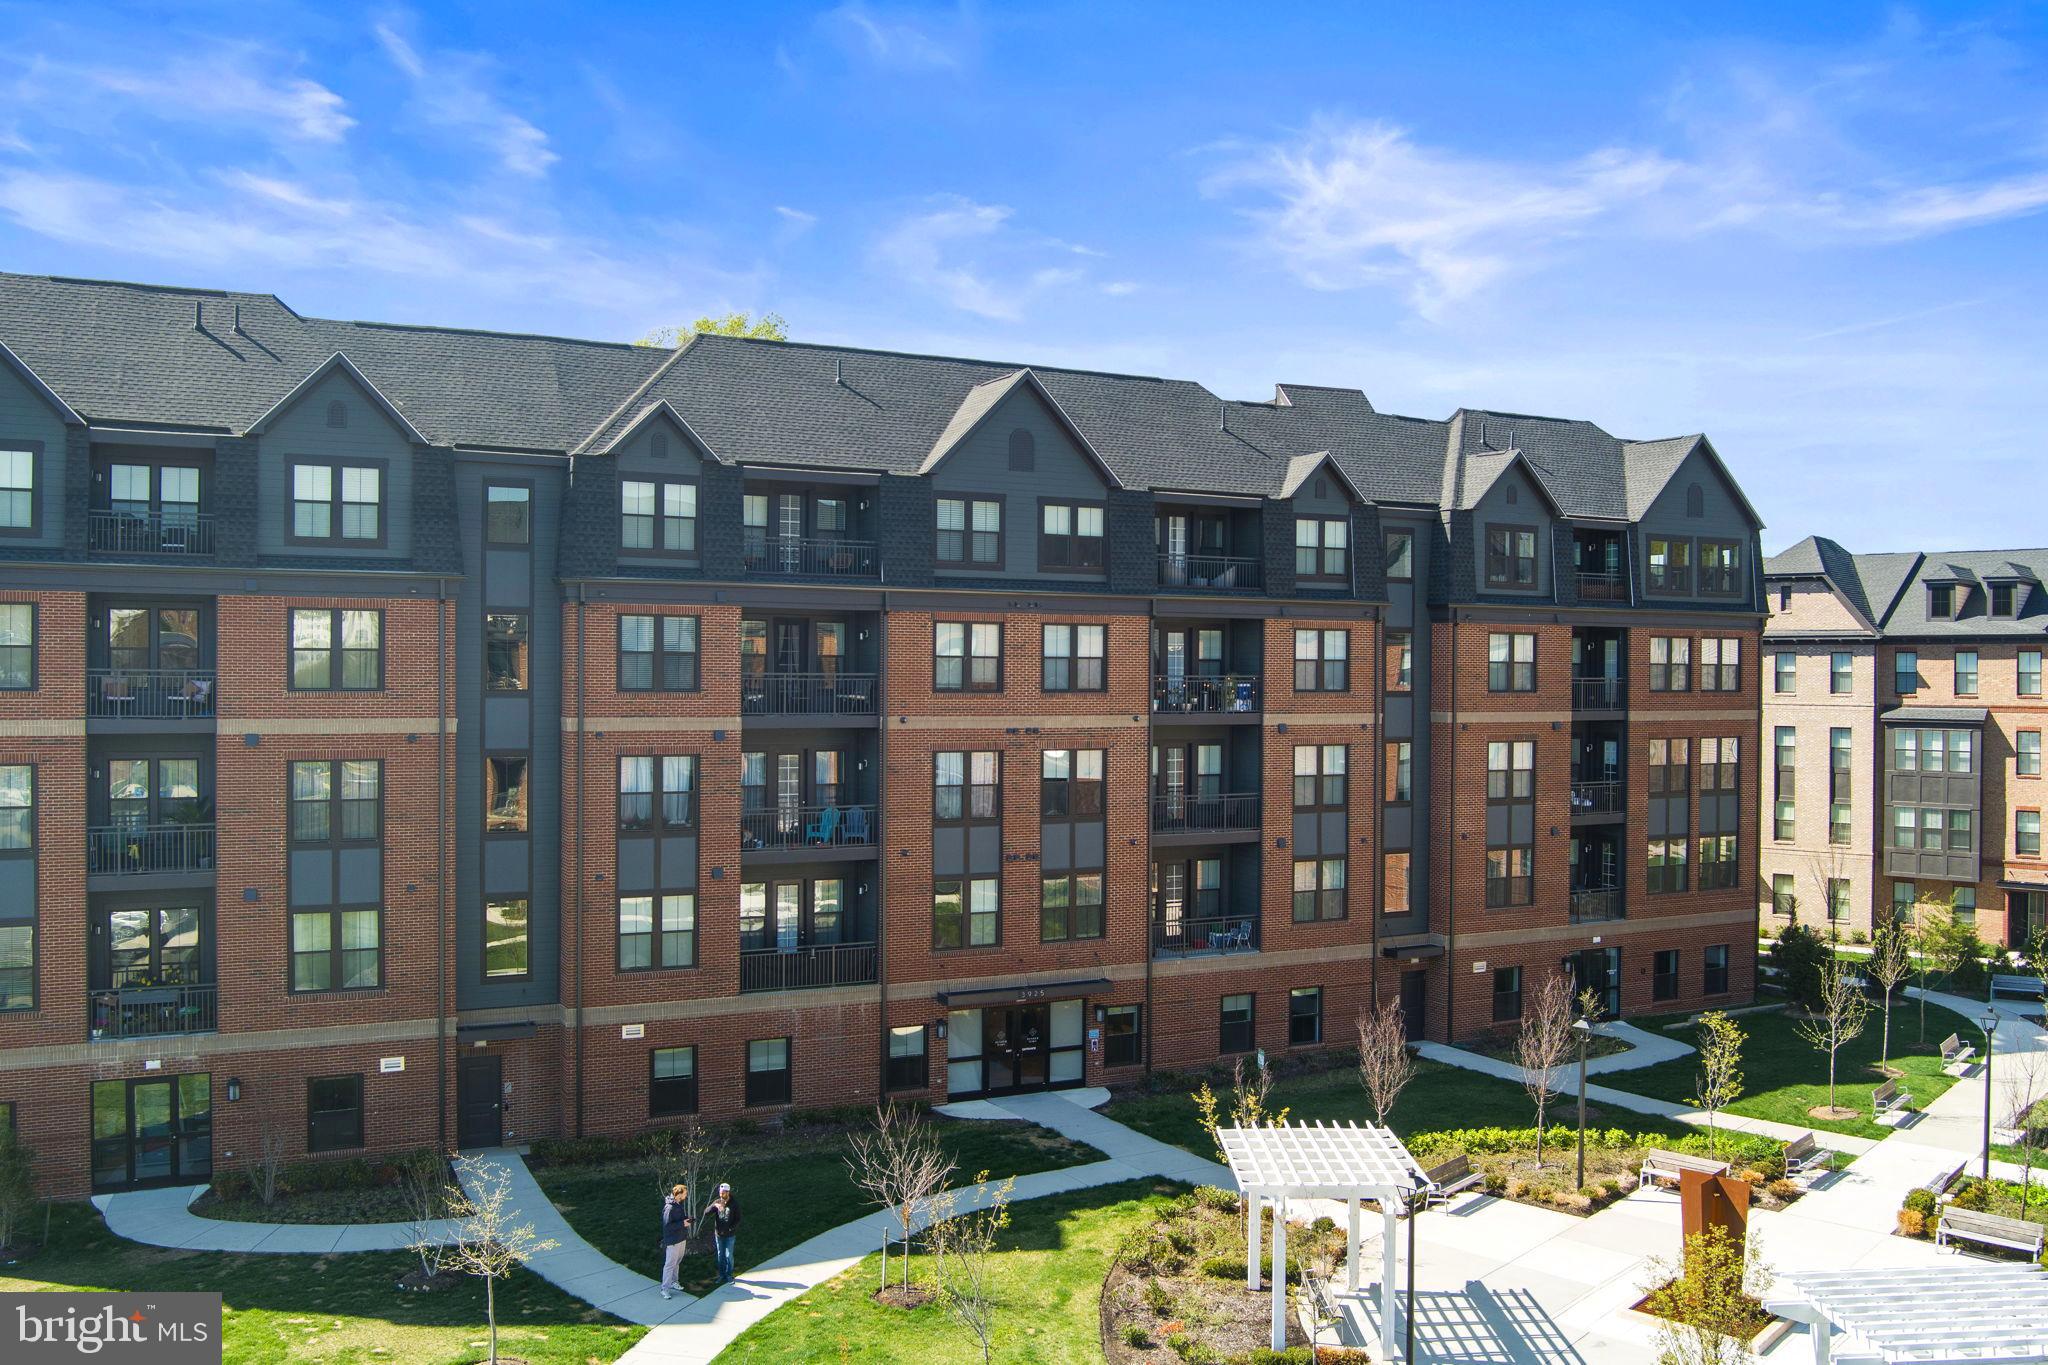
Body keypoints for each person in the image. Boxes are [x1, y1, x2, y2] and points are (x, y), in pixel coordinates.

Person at [657, 1183, 691, 1299]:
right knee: (670, 1264)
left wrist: (686, 1220)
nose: (686, 1196)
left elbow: (678, 1221)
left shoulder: (678, 1204)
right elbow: (667, 1226)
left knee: (677, 1262)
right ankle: (664, 1289)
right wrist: (682, 1223)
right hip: (673, 1241)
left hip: (681, 1238)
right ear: (679, 1194)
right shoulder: (669, 1208)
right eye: (685, 1194)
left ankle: (674, 1282)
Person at [703, 1182, 740, 1285]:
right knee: (720, 1255)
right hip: (719, 1234)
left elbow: (738, 1219)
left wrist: (731, 1229)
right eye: (720, 1193)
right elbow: (706, 1213)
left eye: (723, 1193)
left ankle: (729, 1275)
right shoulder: (718, 1201)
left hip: (729, 1235)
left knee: (729, 1256)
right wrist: (714, 1206)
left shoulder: (734, 1204)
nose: (721, 1195)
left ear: (728, 1193)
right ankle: (721, 1275)